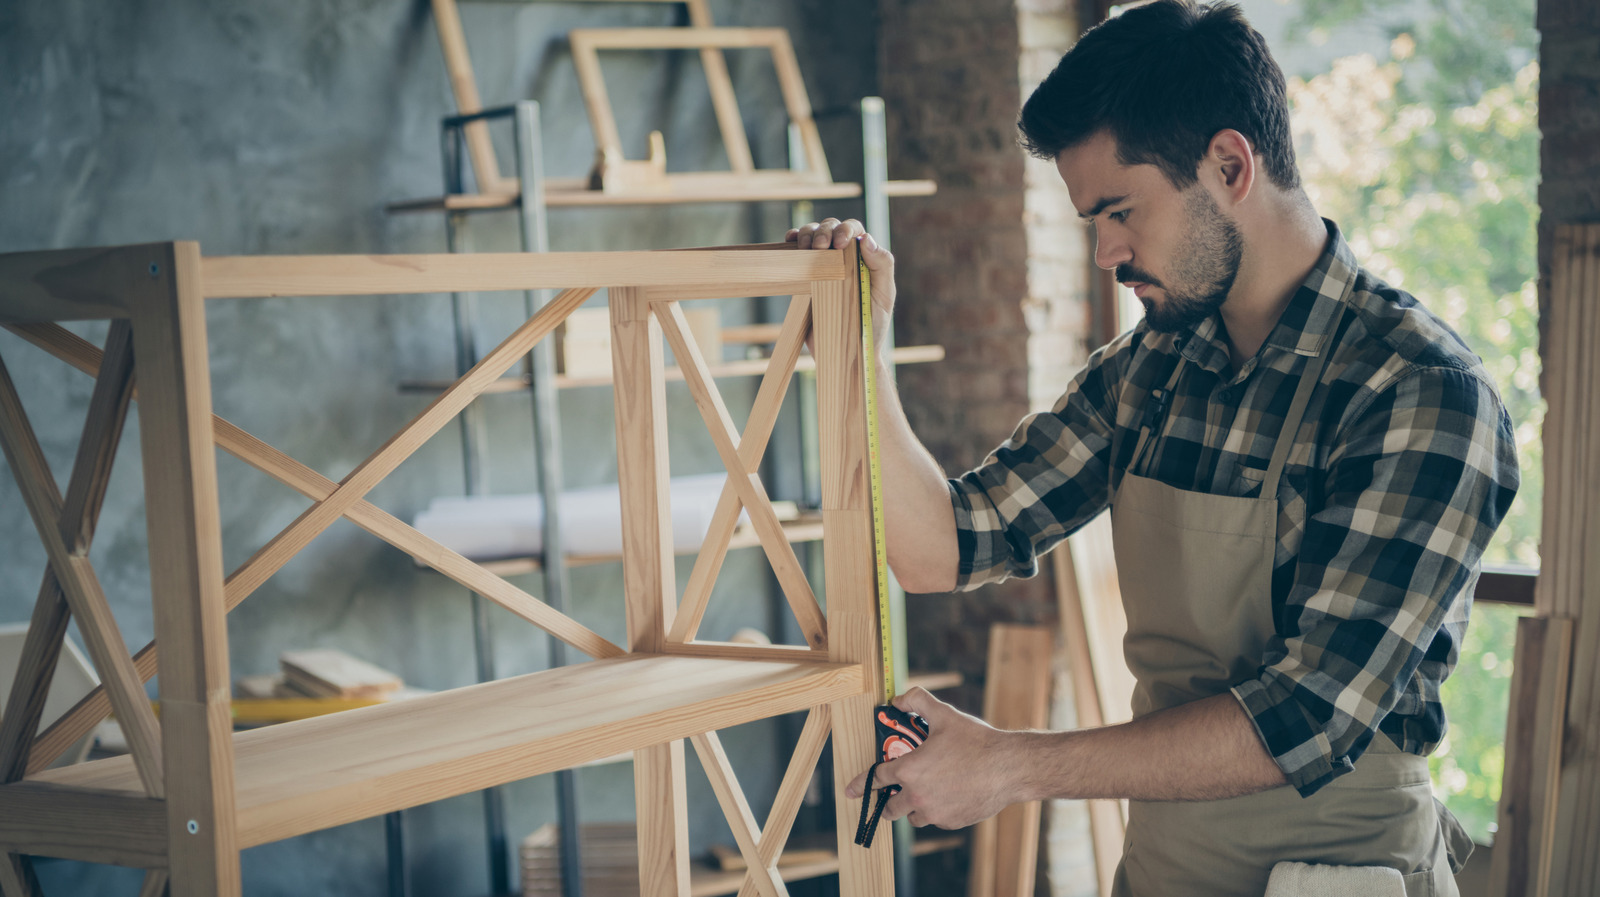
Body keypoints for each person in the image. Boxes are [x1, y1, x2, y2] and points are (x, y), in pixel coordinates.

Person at [787, 1, 1519, 895]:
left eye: (1120, 210)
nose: (1104, 252)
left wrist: (1010, 764)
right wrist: (861, 355)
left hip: (1333, 876)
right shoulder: (1151, 372)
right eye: (1092, 220)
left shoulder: (1419, 392)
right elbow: (944, 543)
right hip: (1166, 871)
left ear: (1229, 165)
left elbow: (1308, 718)